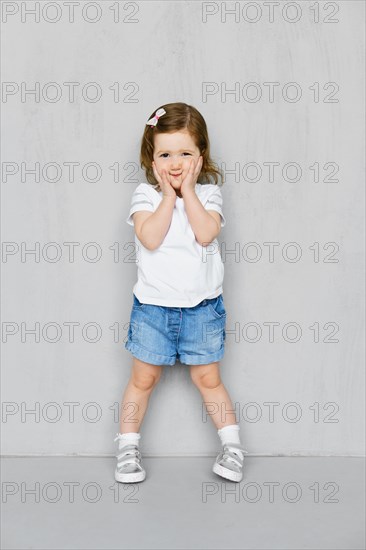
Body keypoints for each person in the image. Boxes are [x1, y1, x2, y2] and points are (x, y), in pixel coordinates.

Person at [114, 103, 247, 484]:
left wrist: (187, 191)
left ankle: (233, 447)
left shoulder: (207, 196)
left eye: (185, 154)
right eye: (166, 154)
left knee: (208, 378)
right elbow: (151, 238)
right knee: (142, 380)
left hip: (202, 310)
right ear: (151, 158)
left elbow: (206, 233)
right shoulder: (145, 196)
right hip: (153, 310)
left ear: (200, 157)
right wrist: (169, 197)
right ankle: (127, 446)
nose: (176, 163)